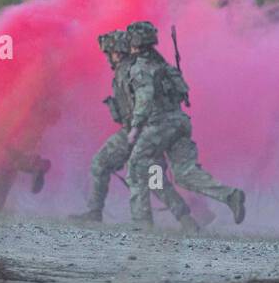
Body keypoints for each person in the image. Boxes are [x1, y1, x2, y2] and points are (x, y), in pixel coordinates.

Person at [72, 29, 200, 230]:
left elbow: (141, 103)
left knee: (100, 163)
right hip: (153, 131)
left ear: (118, 51)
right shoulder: (144, 66)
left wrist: (135, 129)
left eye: (110, 52)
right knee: (155, 180)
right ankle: (187, 220)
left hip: (138, 131)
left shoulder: (127, 71)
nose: (108, 57)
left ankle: (96, 213)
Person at [122, 21, 246, 227]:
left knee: (136, 168)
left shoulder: (141, 68)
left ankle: (142, 225)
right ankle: (229, 195)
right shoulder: (163, 65)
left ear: (135, 41)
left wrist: (135, 128)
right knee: (184, 173)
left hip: (158, 125)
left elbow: (144, 97)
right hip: (179, 122)